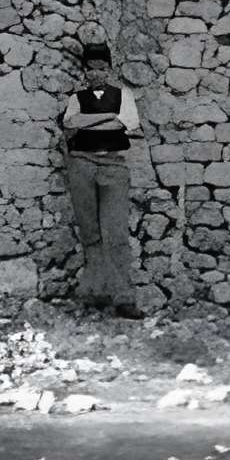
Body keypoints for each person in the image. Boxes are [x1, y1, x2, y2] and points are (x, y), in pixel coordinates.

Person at [62, 41, 143, 318]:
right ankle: (95, 294)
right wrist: (107, 117)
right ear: (86, 71)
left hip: (113, 164)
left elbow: (126, 123)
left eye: (102, 67)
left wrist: (96, 120)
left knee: (116, 233)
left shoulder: (124, 95)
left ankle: (124, 298)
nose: (97, 72)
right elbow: (70, 125)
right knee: (90, 233)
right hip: (81, 163)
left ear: (110, 69)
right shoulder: (77, 97)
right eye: (92, 68)